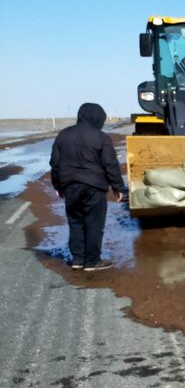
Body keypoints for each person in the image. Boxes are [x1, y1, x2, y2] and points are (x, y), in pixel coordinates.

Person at [49, 102, 126, 271]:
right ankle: (92, 261)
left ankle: (77, 259)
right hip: (94, 188)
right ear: (98, 119)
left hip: (70, 187)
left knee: (75, 222)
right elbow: (110, 165)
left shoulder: (63, 135)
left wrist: (58, 185)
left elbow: (55, 164)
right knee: (94, 224)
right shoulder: (101, 137)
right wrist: (118, 188)